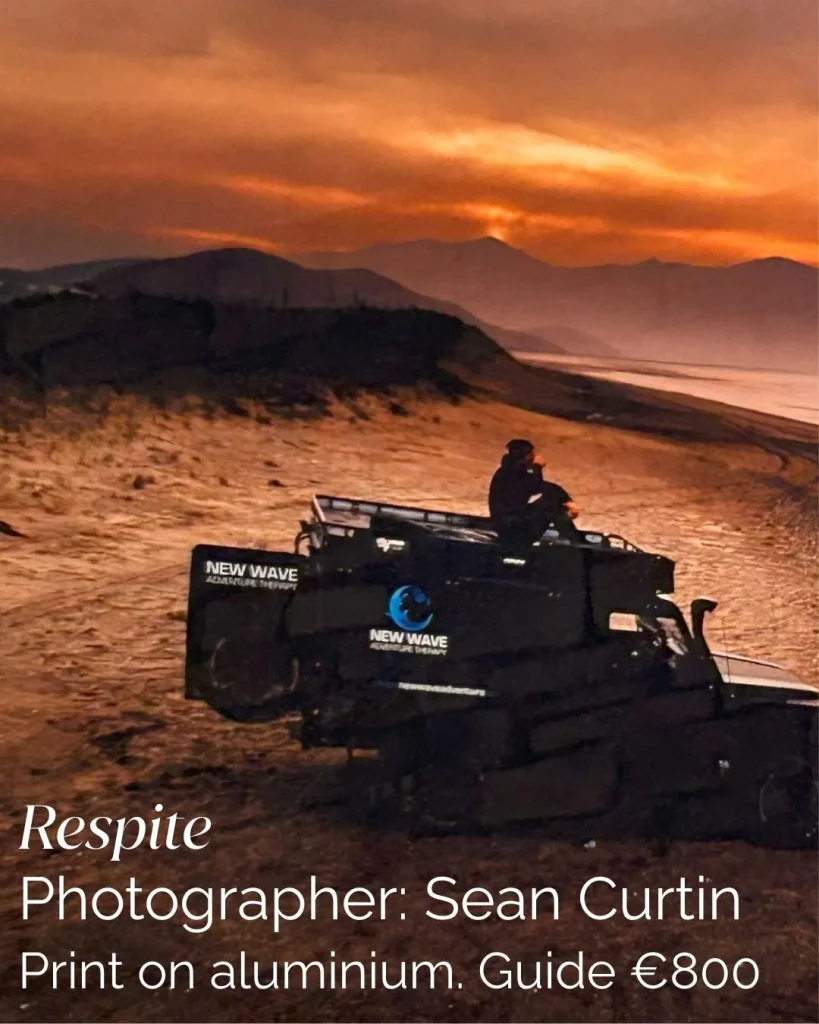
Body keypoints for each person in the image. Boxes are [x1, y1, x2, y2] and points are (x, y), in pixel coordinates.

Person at [488, 439, 580, 546]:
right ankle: (569, 537)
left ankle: (568, 532)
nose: (533, 457)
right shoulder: (511, 474)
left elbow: (544, 487)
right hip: (515, 530)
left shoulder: (507, 470)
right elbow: (536, 486)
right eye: (530, 455)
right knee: (551, 504)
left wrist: (567, 499)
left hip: (509, 524)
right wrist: (537, 467)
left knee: (552, 498)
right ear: (524, 457)